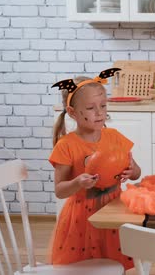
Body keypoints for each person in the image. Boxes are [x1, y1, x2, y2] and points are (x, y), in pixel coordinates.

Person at [49, 68, 141, 270]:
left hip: (114, 211)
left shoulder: (115, 137)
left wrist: (132, 170)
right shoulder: (66, 145)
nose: (100, 112)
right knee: (84, 267)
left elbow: (137, 173)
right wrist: (77, 182)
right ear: (72, 112)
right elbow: (59, 190)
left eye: (103, 105)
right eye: (91, 108)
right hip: (81, 217)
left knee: (115, 265)